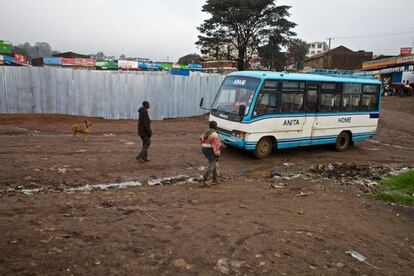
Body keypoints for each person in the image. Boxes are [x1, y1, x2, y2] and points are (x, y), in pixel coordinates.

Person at [199, 121, 221, 186]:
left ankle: (216, 179)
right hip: (211, 150)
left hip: (205, 149)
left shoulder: (206, 132)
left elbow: (200, 139)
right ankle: (204, 180)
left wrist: (206, 143)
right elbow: (216, 146)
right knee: (211, 165)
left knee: (214, 164)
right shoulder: (214, 134)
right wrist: (217, 154)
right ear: (215, 126)